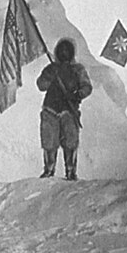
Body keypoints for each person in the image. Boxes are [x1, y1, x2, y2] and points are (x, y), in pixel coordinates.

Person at [36, 38, 93, 180]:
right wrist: (50, 75)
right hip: (51, 109)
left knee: (70, 141)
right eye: (61, 50)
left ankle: (71, 170)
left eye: (67, 50)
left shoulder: (78, 69)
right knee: (49, 141)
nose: (64, 53)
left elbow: (86, 87)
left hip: (69, 110)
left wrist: (76, 95)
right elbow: (41, 85)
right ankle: (49, 169)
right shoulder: (51, 68)